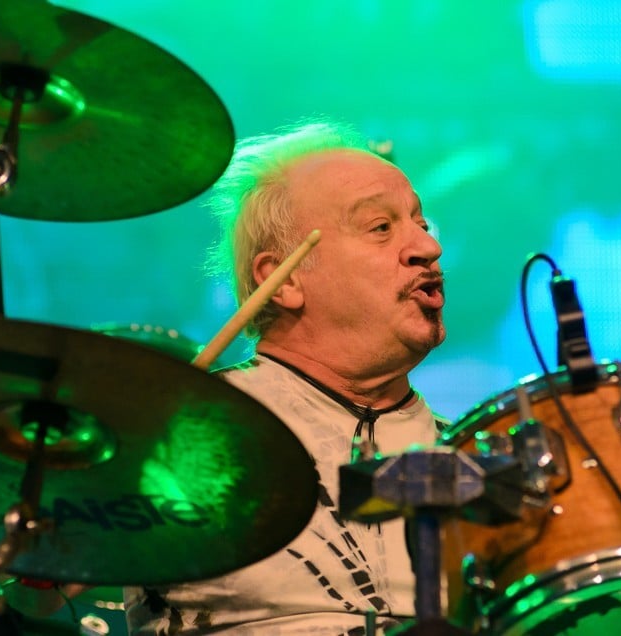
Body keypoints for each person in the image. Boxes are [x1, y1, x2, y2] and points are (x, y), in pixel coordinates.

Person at [123, 119, 447, 635]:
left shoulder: (466, 455)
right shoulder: (185, 436)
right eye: (381, 228)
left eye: (421, 224)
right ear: (284, 280)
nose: (427, 247)